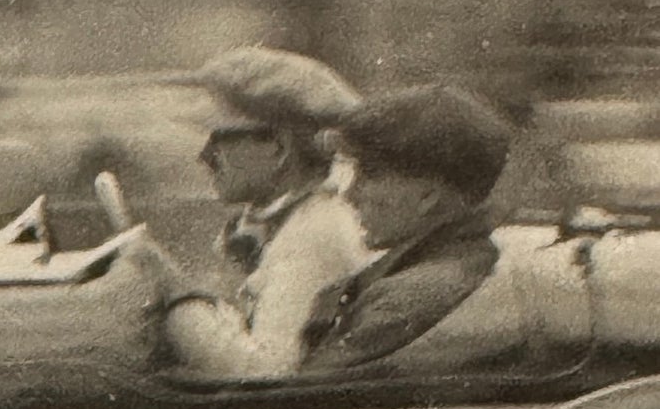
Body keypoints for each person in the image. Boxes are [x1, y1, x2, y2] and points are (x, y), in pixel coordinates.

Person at [152, 46, 373, 377]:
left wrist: (173, 293)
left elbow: (263, 371)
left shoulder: (314, 232)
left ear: (280, 148)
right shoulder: (300, 218)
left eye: (220, 139)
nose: (205, 156)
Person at [297, 85, 513, 373]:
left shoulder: (401, 301)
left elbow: (306, 400)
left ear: (427, 196)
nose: (350, 194)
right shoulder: (462, 263)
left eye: (370, 174)